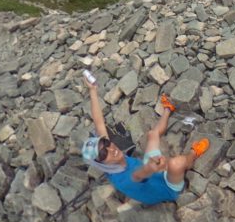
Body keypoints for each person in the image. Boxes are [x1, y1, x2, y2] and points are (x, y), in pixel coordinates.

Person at [82, 73, 209, 205]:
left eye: (106, 143)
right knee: (176, 164)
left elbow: (99, 122)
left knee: (152, 135)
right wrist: (151, 168)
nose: (111, 149)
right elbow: (138, 175)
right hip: (166, 188)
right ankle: (194, 153)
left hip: (149, 169)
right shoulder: (124, 179)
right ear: (100, 163)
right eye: (103, 153)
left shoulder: (109, 164)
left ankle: (167, 109)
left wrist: (92, 90)